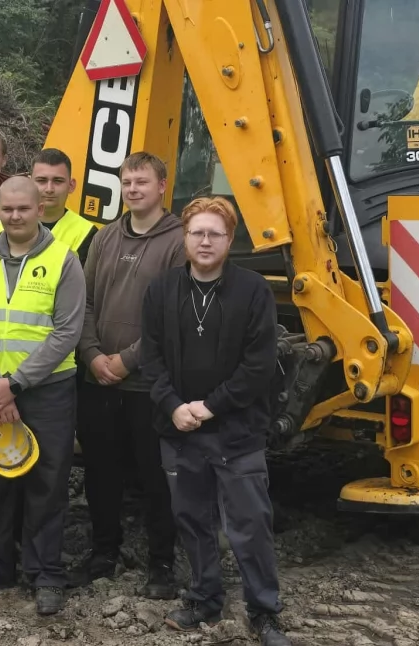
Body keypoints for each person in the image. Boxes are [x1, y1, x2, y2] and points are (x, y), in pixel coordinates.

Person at [140, 196, 290, 646]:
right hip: (179, 432)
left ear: (230, 239)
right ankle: (204, 598)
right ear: (184, 237)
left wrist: (210, 407)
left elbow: (258, 365)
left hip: (236, 433)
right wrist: (174, 406)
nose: (205, 242)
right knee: (192, 520)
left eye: (215, 234)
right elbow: (151, 358)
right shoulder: (161, 290)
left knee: (250, 525)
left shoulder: (253, 291)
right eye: (197, 233)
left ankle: (264, 612)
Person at [0, 176, 85, 616]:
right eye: (6, 209)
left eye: (22, 209)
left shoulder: (64, 260)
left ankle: (46, 573)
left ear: (39, 209)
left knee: (47, 483)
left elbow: (67, 331)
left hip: (47, 392)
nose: (14, 217)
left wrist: (16, 384)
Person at [70, 151, 184, 598]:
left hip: (147, 384)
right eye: (127, 182)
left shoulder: (178, 242)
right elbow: (84, 302)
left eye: (142, 182)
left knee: (156, 477)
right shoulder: (104, 237)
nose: (133, 189)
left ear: (162, 186)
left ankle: (162, 563)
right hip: (98, 378)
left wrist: (127, 360)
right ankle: (103, 553)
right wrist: (92, 354)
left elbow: (172, 317)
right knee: (101, 473)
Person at [0, 148, 96, 263]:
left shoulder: (87, 233)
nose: (49, 189)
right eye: (42, 180)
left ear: (71, 186)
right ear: (30, 182)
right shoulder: (2, 218)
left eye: (58, 181)